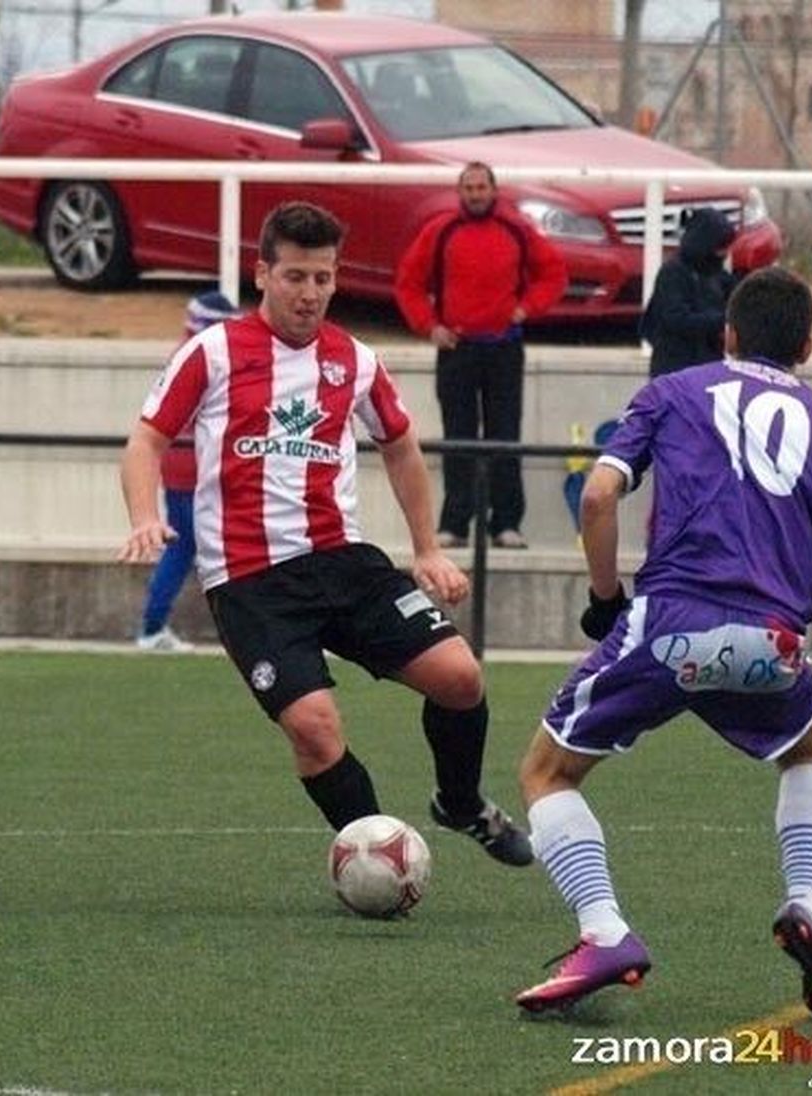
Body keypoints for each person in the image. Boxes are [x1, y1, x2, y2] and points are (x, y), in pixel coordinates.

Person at [511, 267, 812, 1017]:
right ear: (809, 348)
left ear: (726, 334)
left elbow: (598, 494)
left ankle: (604, 930)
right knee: (805, 753)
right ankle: (805, 904)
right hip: (773, 643)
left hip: (669, 625)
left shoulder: (673, 392)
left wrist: (603, 599)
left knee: (546, 772)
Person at [121, 200, 532, 867]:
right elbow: (146, 440)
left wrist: (426, 549)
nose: (310, 293)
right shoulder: (215, 352)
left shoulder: (355, 360)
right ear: (262, 275)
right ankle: (378, 858)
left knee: (460, 678)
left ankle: (459, 802)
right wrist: (146, 515)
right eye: (295, 277)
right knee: (315, 731)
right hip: (251, 582)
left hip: (343, 563)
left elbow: (400, 445)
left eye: (323, 278)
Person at [393, 161, 567, 551]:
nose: (475, 194)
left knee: (506, 436)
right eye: (468, 187)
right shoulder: (440, 230)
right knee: (459, 437)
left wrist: (526, 308)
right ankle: (455, 524)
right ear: (460, 192)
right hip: (457, 350)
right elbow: (408, 284)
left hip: (505, 348)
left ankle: (506, 523)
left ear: (493, 189)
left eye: (481, 187)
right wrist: (429, 326)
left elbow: (554, 274)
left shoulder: (516, 229)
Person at [135, 289, 239, 653]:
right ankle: (152, 626)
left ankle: (154, 625)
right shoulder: (200, 357)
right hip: (190, 466)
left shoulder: (186, 353)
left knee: (190, 547)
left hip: (182, 464)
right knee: (185, 548)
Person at [639, 206, 739, 377]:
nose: (724, 253)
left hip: (707, 364)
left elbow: (737, 301)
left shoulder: (719, 276)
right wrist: (722, 320)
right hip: (674, 365)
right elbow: (675, 318)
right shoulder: (674, 273)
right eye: (720, 247)